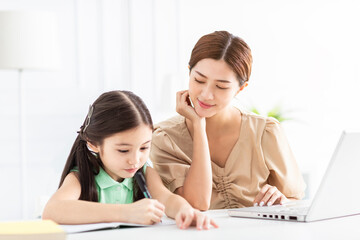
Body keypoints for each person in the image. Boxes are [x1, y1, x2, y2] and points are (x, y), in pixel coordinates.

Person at [150, 31, 306, 211]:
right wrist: (198, 126)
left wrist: (282, 201)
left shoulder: (266, 132)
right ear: (189, 73)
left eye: (221, 86)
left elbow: (296, 200)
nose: (206, 94)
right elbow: (197, 204)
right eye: (199, 80)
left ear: (240, 89)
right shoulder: (164, 138)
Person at [43, 90, 218, 230]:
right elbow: (52, 211)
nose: (135, 160)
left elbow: (167, 198)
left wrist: (185, 211)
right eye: (123, 150)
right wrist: (126, 213)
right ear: (94, 144)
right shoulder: (81, 177)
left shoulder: (145, 172)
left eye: (144, 148)